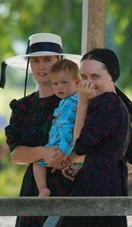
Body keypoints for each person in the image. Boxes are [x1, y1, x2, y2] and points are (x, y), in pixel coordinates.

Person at [37, 48, 132, 227]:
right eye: (83, 76)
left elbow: (82, 142)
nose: (88, 82)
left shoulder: (106, 102)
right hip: (106, 180)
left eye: (95, 76)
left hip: (99, 181)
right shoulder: (114, 103)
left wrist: (82, 103)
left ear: (111, 76)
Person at [0, 32, 81, 227]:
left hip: (71, 181)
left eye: (48, 59)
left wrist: (70, 159)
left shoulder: (79, 101)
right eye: (35, 60)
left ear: (59, 60)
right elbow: (16, 154)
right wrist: (43, 153)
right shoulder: (23, 107)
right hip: (38, 186)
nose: (42, 66)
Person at [33, 59, 80, 197]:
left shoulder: (70, 104)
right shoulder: (68, 101)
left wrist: (64, 151)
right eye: (55, 84)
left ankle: (42, 189)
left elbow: (67, 128)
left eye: (64, 83)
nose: (59, 87)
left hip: (61, 146)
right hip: (61, 145)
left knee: (37, 163)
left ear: (77, 82)